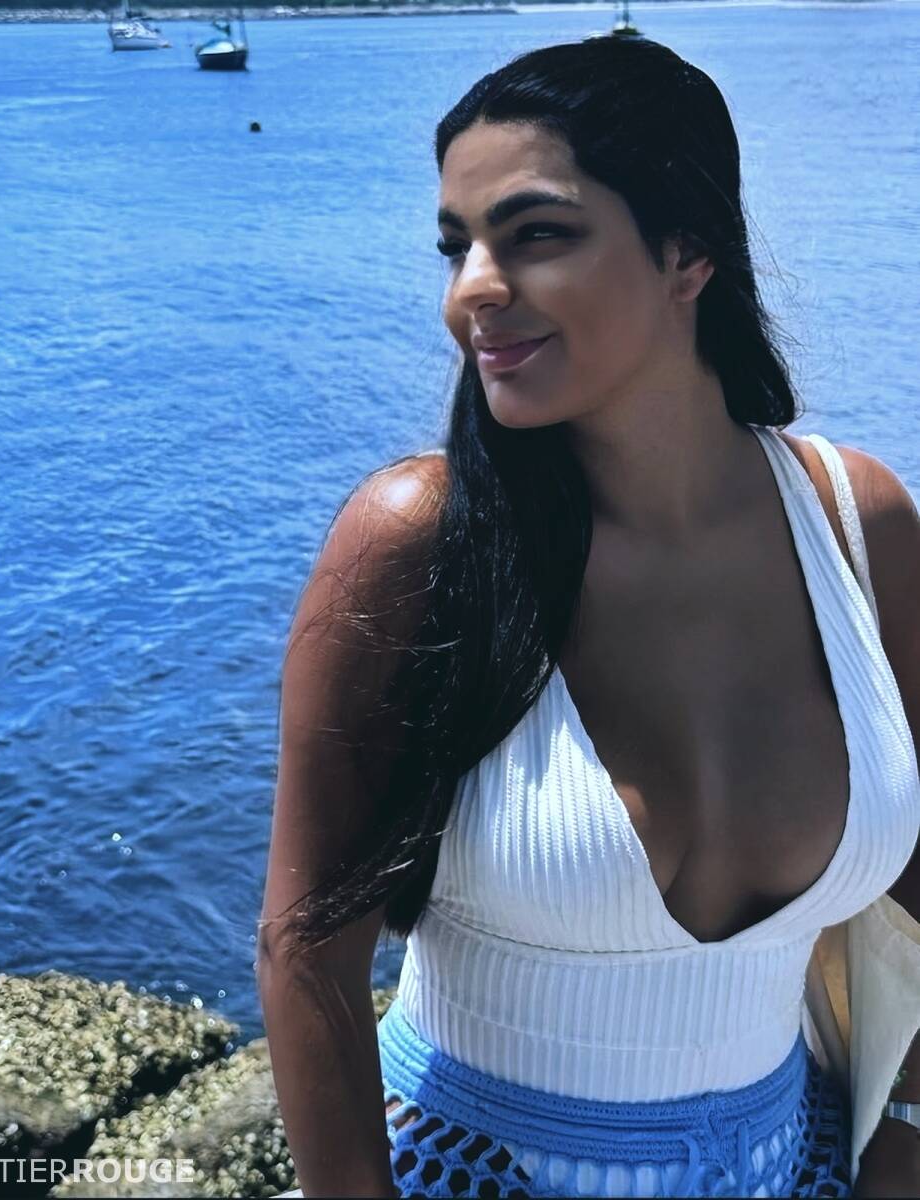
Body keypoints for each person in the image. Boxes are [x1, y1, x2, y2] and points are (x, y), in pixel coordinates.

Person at [256, 37, 920, 1199]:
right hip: (465, 1173)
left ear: (687, 251)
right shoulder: (419, 540)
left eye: (535, 234)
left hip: (800, 1166)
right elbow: (305, 950)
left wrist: (900, 1147)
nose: (470, 289)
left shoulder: (856, 526)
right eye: (456, 244)